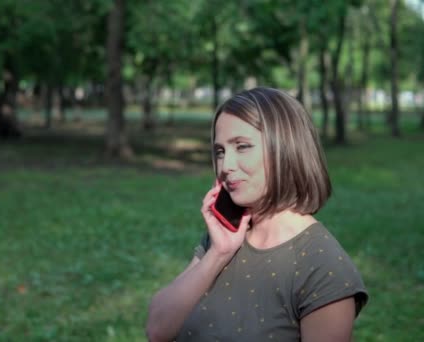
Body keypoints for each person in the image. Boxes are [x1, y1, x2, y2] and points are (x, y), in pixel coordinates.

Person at [145, 87, 368, 342]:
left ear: (286, 149)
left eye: (242, 147)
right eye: (220, 151)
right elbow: (157, 330)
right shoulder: (224, 237)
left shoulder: (323, 265)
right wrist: (218, 254)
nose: (226, 167)